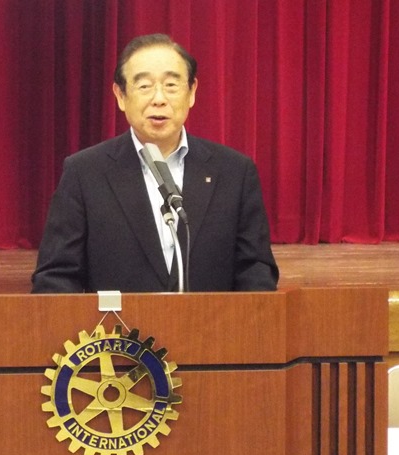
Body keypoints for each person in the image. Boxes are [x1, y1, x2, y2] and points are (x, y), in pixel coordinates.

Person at [31, 33, 278, 293]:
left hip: (211, 320)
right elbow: (55, 278)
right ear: (120, 95)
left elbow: (256, 272)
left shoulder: (234, 172)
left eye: (171, 85)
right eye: (144, 86)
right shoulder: (84, 173)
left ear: (192, 92)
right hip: (118, 321)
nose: (159, 99)